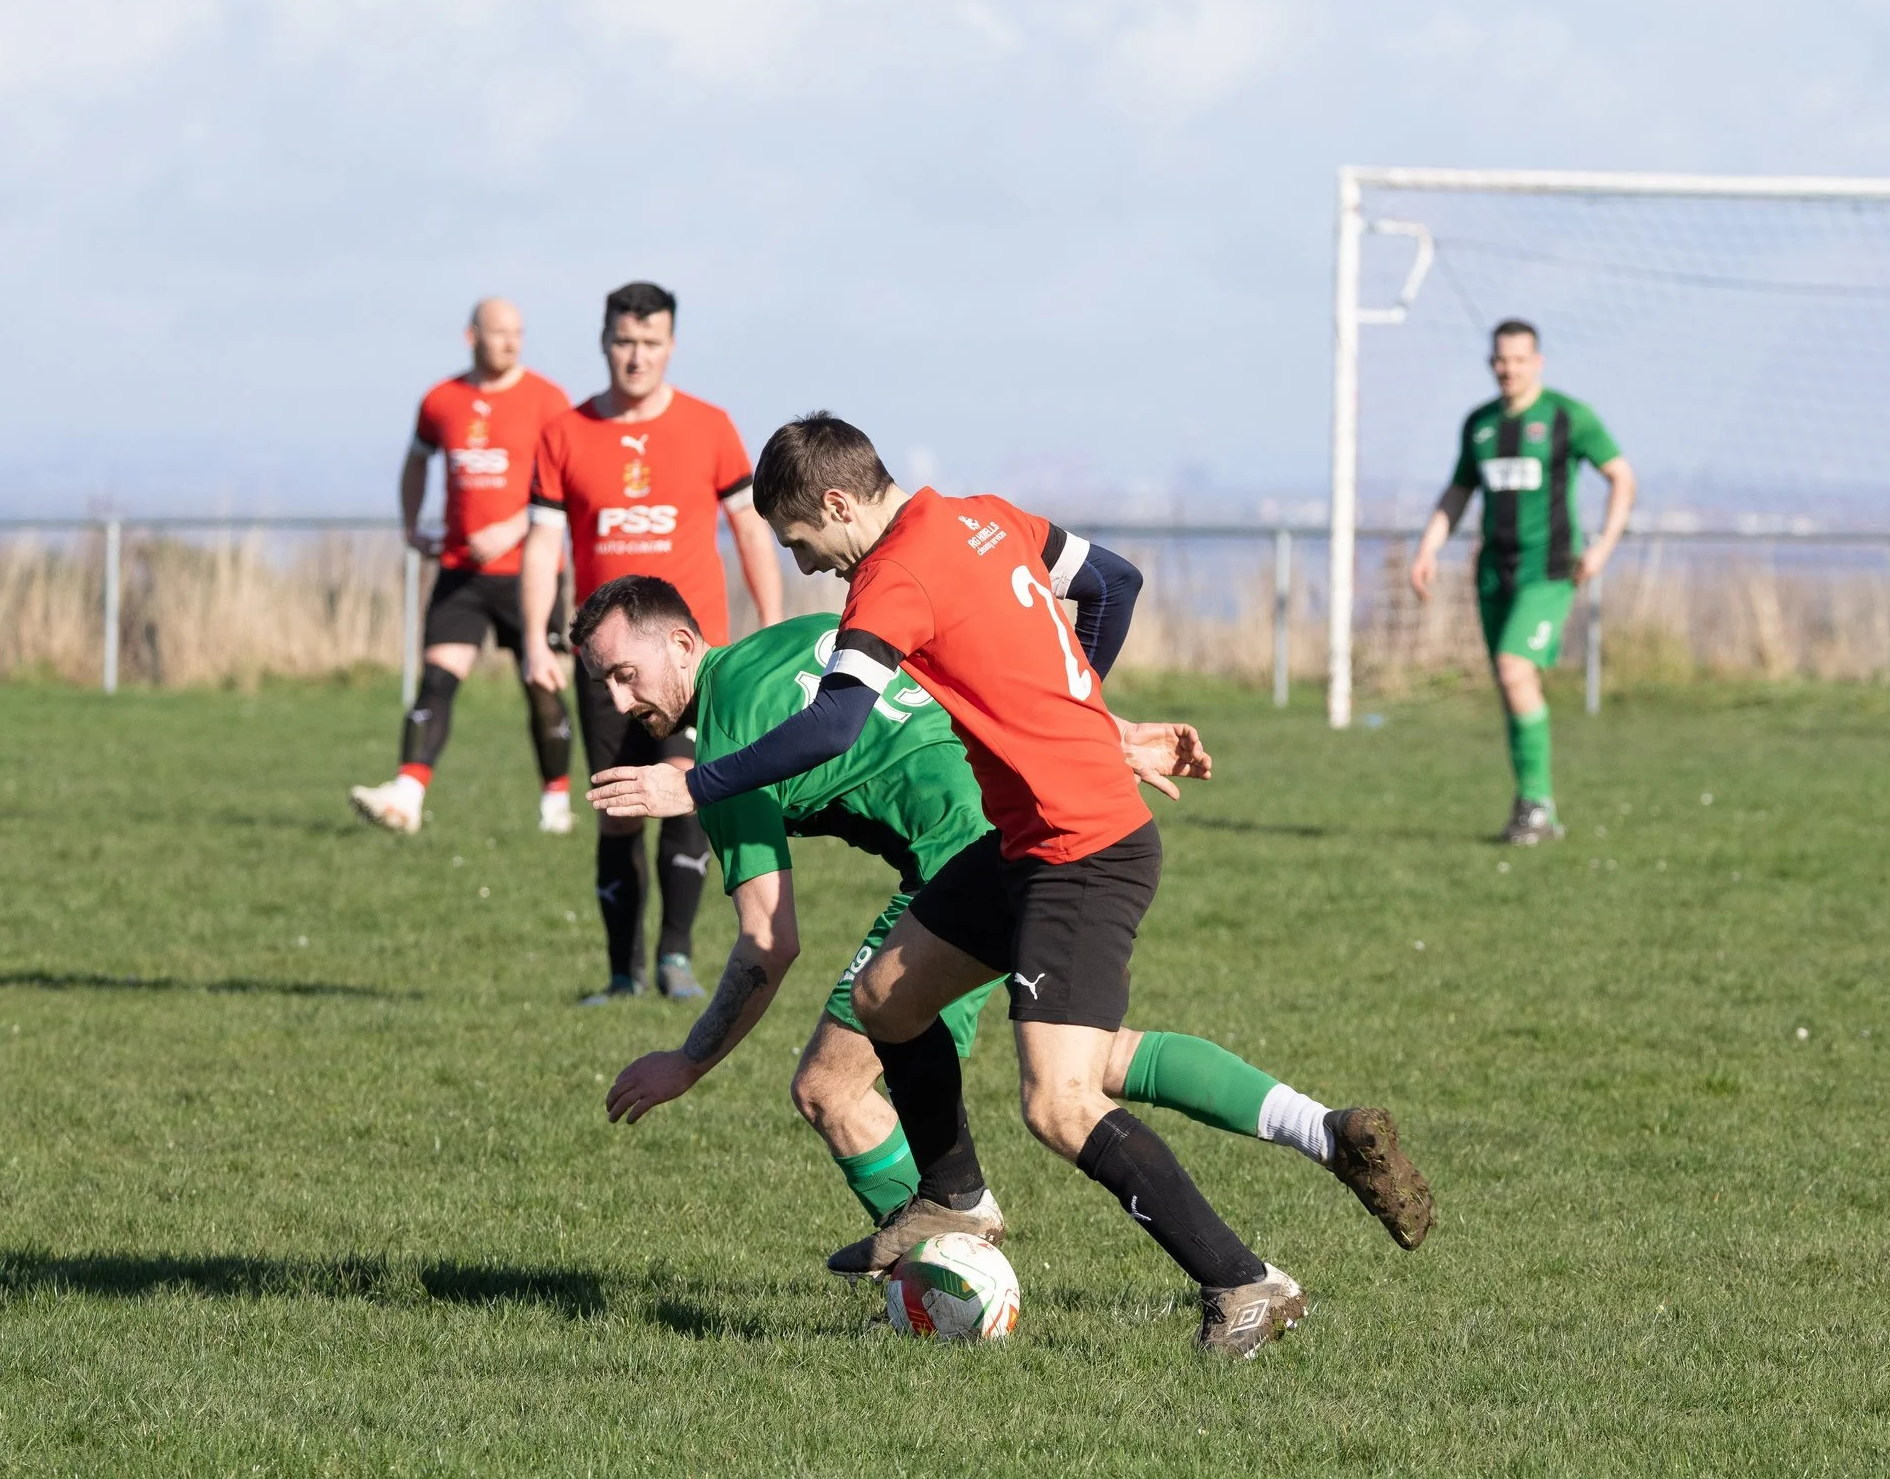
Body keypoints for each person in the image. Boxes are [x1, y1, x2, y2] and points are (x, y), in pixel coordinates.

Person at [589, 415, 1435, 1357]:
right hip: (1022, 841)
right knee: (885, 999)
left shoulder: (889, 580)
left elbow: (833, 728)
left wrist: (694, 781)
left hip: (1081, 850)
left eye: (802, 543)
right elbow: (1113, 583)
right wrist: (1080, 718)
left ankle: (1245, 1284)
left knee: (1060, 1101)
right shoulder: (984, 517)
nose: (808, 566)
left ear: (836, 504)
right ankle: (951, 1198)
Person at [575, 576, 1386, 1253]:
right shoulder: (812, 632)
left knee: (833, 1088)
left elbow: (767, 941)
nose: (617, 701)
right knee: (1088, 1060)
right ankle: (1322, 1128)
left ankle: (955, 1268)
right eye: (601, 686)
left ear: (683, 645)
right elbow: (971, 690)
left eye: (623, 674)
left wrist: (686, 1062)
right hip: (1037, 823)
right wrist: (1103, 742)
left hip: (962, 865)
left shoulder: (722, 745)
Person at [518, 282, 785, 1004]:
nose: (637, 357)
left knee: (688, 794)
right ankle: (620, 973)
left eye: (651, 343)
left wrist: (769, 619)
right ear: (604, 342)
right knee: (615, 810)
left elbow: (750, 529)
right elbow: (542, 547)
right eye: (624, 341)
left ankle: (675, 960)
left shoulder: (710, 427)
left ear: (671, 345)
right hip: (606, 669)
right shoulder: (564, 433)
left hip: (693, 666)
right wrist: (536, 642)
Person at [350, 299, 577, 836]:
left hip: (530, 573)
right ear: (471, 335)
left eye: (518, 333)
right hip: (461, 573)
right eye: (500, 333)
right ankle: (406, 797)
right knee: (436, 681)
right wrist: (411, 527)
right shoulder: (441, 400)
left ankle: (556, 808)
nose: (511, 343)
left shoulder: (547, 400)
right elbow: (415, 460)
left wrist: (513, 527)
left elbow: (567, 487)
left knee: (542, 687)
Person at [1407, 318, 1637, 846]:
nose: (1507, 369)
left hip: (1550, 569)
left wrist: (1601, 547)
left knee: (1515, 669)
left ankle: (1534, 804)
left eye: (1517, 359)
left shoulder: (1567, 416)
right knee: (1513, 688)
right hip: (1493, 572)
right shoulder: (1480, 424)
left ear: (1538, 362)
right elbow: (1460, 490)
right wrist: (1428, 547)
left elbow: (1622, 476)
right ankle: (1537, 806)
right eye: (1499, 360)